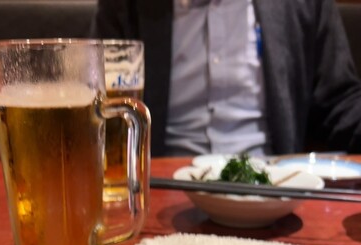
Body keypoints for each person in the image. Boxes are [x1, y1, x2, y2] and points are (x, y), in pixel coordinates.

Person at [91, 0, 361, 157]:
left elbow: (339, 101)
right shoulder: (126, 6)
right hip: (160, 189)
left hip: (272, 189)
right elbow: (93, 101)